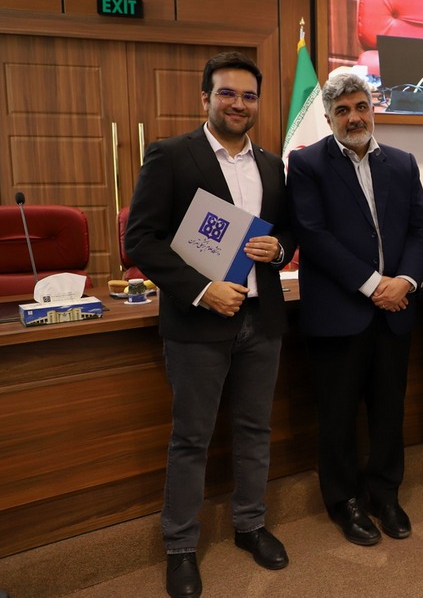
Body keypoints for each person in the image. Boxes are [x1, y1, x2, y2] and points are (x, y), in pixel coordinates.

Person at [125, 51, 294, 598]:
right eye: (227, 93)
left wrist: (278, 249)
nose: (238, 104)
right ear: (205, 98)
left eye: (248, 96)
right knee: (191, 438)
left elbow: (287, 230)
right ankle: (180, 547)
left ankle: (250, 525)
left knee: (255, 429)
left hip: (261, 319)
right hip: (197, 322)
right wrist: (202, 289)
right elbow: (141, 239)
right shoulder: (172, 155)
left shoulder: (272, 164)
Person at [286, 73, 423, 545]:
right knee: (338, 415)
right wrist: (374, 285)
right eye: (343, 110)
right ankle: (344, 501)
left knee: (389, 411)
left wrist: (406, 280)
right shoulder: (307, 163)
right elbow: (313, 235)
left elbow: (420, 229)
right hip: (338, 314)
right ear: (329, 117)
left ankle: (385, 494)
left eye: (361, 106)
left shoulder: (402, 163)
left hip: (396, 311)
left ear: (373, 108)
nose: (354, 117)